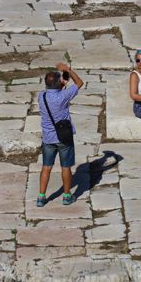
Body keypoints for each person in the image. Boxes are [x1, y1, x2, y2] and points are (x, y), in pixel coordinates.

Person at [37, 62, 83, 207]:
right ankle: (67, 196)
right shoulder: (63, 96)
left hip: (48, 138)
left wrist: (61, 83)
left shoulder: (41, 96)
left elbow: (55, 90)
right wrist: (68, 69)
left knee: (46, 167)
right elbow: (79, 82)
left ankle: (41, 197)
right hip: (64, 138)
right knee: (65, 167)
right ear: (59, 83)